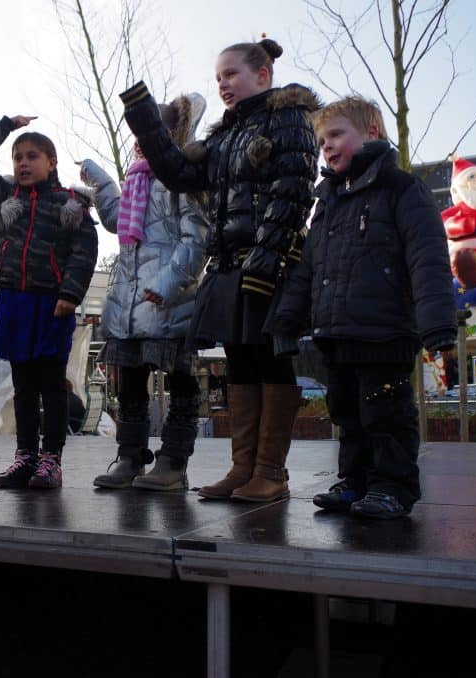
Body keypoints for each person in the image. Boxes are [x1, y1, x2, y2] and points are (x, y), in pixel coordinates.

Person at [121, 38, 320, 502]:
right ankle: (243, 469)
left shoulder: (289, 118)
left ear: (263, 74)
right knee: (242, 364)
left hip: (269, 260)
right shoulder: (224, 136)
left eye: (231, 74)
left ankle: (271, 472)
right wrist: (144, 113)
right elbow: (178, 174)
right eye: (218, 78)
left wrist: (266, 261)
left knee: (271, 360)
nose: (223, 84)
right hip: (230, 264)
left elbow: (293, 190)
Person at [271, 96, 456, 519]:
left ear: (372, 132)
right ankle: (355, 481)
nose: (327, 147)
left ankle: (393, 486)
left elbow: (427, 257)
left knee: (385, 412)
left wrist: (436, 326)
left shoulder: (401, 189)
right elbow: (308, 266)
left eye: (336, 135)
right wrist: (287, 320)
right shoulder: (329, 201)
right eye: (321, 141)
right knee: (347, 413)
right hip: (337, 332)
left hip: (385, 330)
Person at [79, 93, 209, 491]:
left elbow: (196, 239)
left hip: (169, 298)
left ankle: (173, 461)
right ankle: (130, 455)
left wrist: (169, 284)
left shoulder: (183, 179)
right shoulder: (135, 178)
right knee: (130, 381)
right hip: (129, 301)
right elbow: (119, 222)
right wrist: (101, 182)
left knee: (181, 379)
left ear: (171, 134)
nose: (139, 142)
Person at [0, 115, 98, 489]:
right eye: (17, 157)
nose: (23, 163)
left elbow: (84, 252)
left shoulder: (70, 204)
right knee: (22, 386)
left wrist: (70, 294)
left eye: (32, 156)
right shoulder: (6, 200)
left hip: (52, 305)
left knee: (52, 386)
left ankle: (51, 460)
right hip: (14, 303)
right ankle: (25, 457)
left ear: (51, 162)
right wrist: (3, 125)